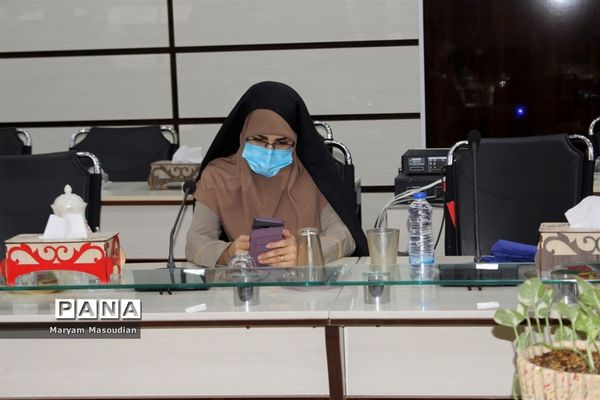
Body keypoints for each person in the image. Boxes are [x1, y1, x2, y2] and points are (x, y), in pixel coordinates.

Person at [186, 81, 368, 267]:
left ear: (296, 142)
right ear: (243, 135)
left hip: (305, 281)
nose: (270, 150)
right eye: (259, 139)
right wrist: (227, 253)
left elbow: (345, 235)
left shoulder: (314, 175)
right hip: (244, 280)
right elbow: (195, 241)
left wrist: (306, 252)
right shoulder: (218, 176)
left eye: (282, 142)